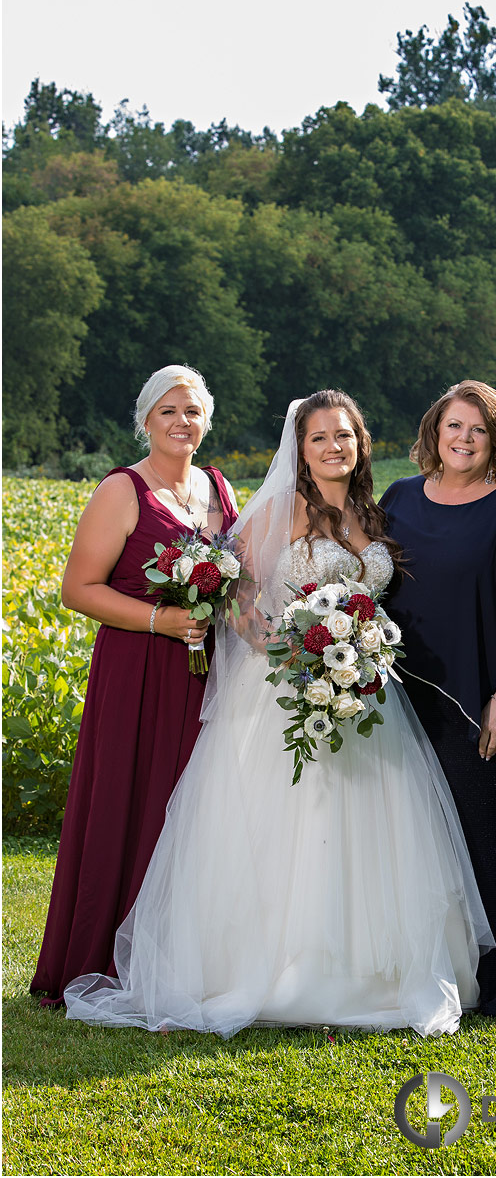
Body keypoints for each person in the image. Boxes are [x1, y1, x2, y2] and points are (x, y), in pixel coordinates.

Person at [64, 390, 492, 1038]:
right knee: (297, 824)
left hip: (365, 692)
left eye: (344, 436)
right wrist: (282, 644)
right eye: (319, 438)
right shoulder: (283, 509)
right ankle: (289, 970)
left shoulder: (367, 512)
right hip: (289, 691)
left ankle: (371, 969)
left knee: (373, 827)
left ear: (360, 443)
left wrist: (356, 648)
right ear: (301, 447)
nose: (332, 448)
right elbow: (235, 592)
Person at [31, 365, 239, 1007]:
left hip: (208, 673)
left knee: (194, 806)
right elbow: (78, 590)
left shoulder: (220, 487)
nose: (182, 423)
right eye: (168, 411)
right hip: (138, 671)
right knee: (133, 798)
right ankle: (104, 954)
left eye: (193, 412)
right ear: (146, 420)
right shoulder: (122, 491)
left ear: (206, 423)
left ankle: (183, 953)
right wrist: (160, 620)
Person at [379, 380, 496, 1017]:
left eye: (478, 430)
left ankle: (488, 980)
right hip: (394, 697)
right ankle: (409, 966)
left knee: (477, 838)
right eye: (454, 426)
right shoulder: (399, 498)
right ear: (434, 431)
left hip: (471, 704)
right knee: (405, 838)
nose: (463, 439)